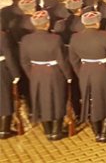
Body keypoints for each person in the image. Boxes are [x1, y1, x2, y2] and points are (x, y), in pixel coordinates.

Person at [68, 11, 106, 143]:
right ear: (97, 23)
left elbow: (73, 59)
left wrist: (81, 72)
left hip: (85, 72)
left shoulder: (75, 37)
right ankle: (105, 133)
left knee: (91, 102)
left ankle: (97, 132)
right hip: (104, 71)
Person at [19, 10, 73, 141]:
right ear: (47, 23)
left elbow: (24, 61)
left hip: (36, 72)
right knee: (57, 99)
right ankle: (57, 131)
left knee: (41, 101)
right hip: (53, 72)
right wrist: (68, 76)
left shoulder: (25, 40)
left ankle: (47, 130)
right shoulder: (55, 39)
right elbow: (62, 60)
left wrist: (32, 74)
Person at [0, 29, 21, 139]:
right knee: (4, 99)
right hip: (1, 70)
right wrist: (15, 74)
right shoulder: (1, 36)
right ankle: (4, 130)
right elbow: (8, 55)